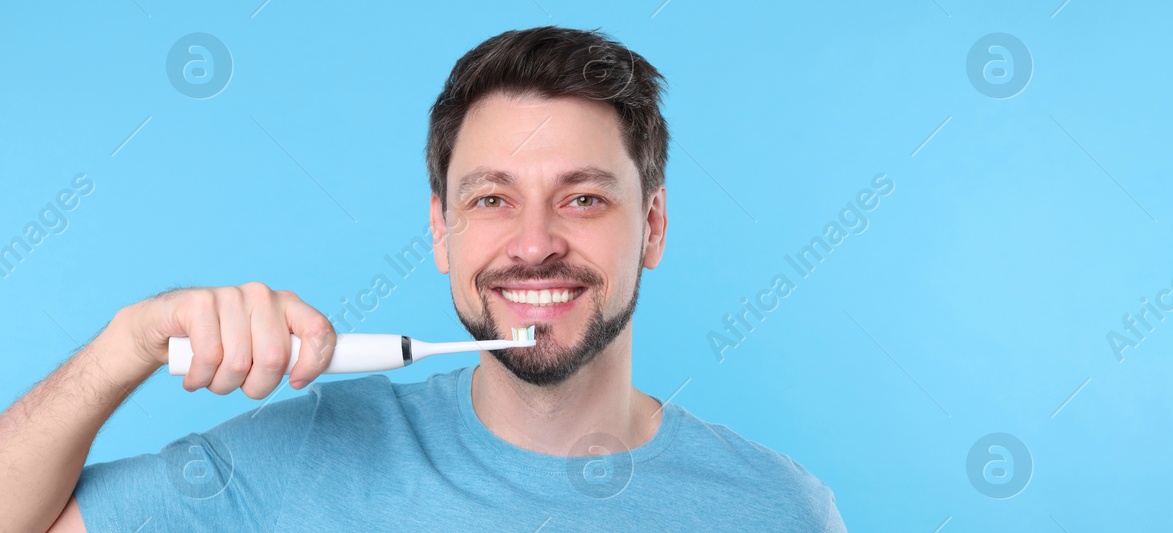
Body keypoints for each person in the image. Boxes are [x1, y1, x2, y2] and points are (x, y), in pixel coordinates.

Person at [0, 26, 845, 532]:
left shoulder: (778, 508)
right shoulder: (298, 459)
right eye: (491, 198)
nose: (535, 243)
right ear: (441, 231)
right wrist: (128, 345)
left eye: (583, 197)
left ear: (652, 225)